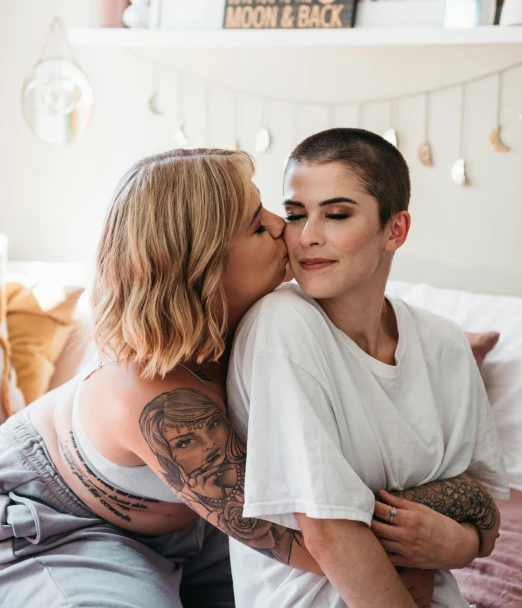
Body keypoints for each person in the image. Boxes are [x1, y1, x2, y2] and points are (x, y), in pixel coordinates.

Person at [0, 148, 500, 608]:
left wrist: (467, 525)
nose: (287, 228)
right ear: (202, 265)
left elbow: (340, 496)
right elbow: (324, 536)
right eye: (258, 226)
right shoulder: (155, 395)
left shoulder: (271, 319)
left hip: (199, 528)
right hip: (63, 519)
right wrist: (460, 531)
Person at [227, 129, 509, 608]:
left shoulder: (443, 342)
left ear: (395, 230)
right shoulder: (282, 324)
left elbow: (481, 502)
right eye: (295, 215)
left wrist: (461, 543)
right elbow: (330, 530)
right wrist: (462, 533)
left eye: (336, 214)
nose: (308, 235)